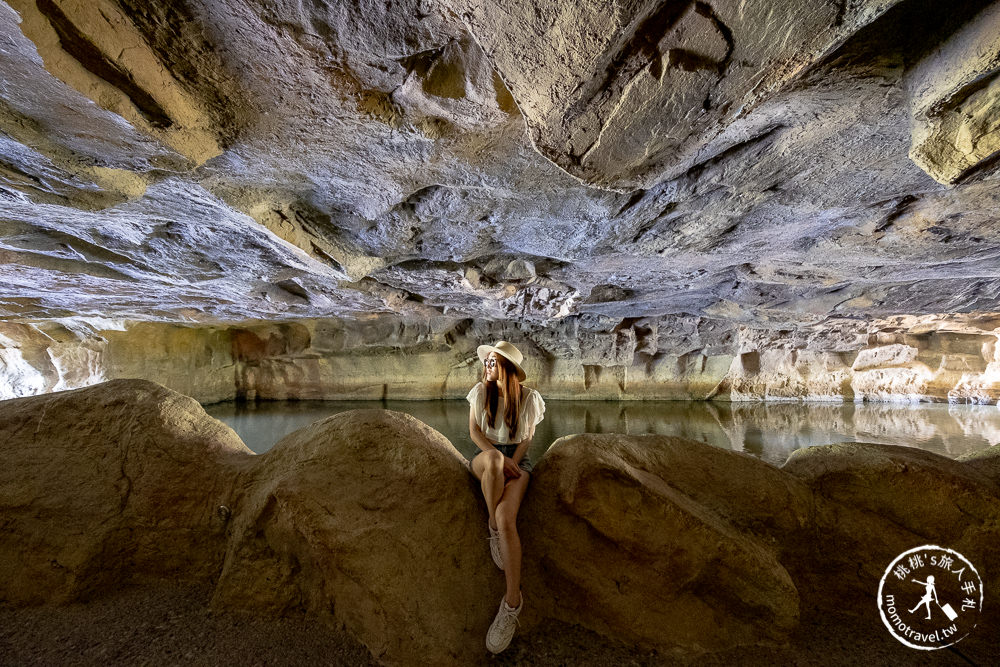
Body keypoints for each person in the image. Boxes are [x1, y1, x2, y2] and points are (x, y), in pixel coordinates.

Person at [466, 340, 545, 654]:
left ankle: (512, 604)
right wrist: (500, 458)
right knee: (496, 462)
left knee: (506, 517)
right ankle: (491, 527)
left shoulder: (528, 399)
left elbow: (527, 437)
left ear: (508, 369)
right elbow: (474, 432)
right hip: (485, 459)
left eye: (493, 362)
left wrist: (514, 460)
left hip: (518, 462)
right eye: (486, 362)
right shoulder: (480, 393)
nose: (487, 366)